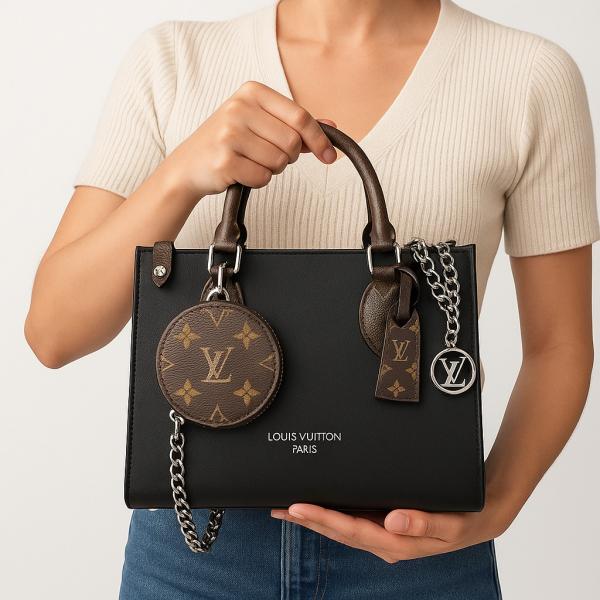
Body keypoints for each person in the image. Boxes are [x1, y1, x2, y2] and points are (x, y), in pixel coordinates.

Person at [24, 0, 598, 598]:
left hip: (418, 553)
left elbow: (558, 346)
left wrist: (495, 506)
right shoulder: (173, 61)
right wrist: (180, 175)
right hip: (196, 549)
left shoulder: (527, 76)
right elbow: (54, 333)